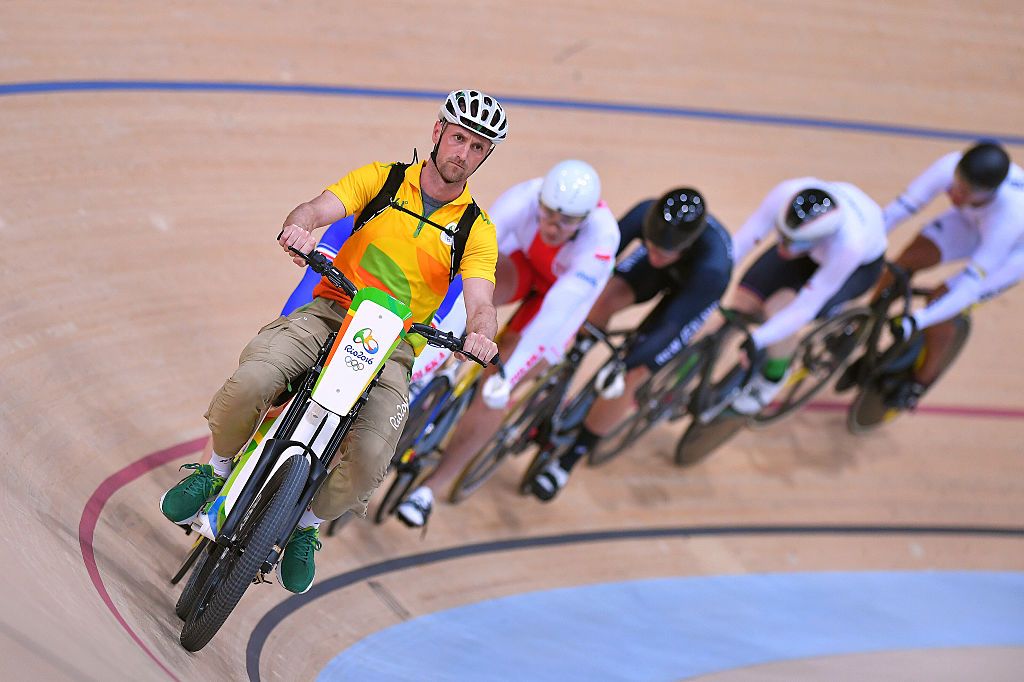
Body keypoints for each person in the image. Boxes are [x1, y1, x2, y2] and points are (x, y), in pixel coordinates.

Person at [160, 89, 508, 593]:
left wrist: (480, 335)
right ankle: (216, 471)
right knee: (254, 377)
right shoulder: (382, 178)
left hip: (395, 346)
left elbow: (481, 302)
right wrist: (299, 228)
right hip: (331, 310)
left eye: (478, 148)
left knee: (370, 456)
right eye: (459, 139)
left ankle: (306, 526)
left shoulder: (477, 230)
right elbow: (317, 208)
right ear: (437, 133)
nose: (464, 154)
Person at [395, 159, 621, 526]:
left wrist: (509, 375)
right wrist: (436, 346)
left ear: (584, 218)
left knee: (493, 390)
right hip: (525, 266)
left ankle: (431, 489)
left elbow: (555, 314)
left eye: (564, 222)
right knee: (466, 296)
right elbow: (469, 263)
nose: (552, 226)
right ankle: (424, 375)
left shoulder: (602, 239)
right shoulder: (524, 198)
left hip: (563, 303)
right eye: (547, 214)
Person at [529, 187, 734, 500]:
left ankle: (568, 462)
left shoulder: (712, 269)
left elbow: (672, 327)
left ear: (686, 245)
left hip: (691, 295)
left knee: (632, 373)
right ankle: (573, 360)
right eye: (651, 244)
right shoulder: (644, 213)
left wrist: (627, 364)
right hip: (654, 275)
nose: (655, 252)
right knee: (605, 296)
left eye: (664, 251)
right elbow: (599, 260)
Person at [868, 140, 1024, 408]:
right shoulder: (950, 166)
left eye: (965, 191)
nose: (955, 193)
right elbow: (896, 212)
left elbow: (968, 288)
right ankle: (866, 322)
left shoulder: (1010, 215)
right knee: (905, 261)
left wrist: (919, 320)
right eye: (956, 183)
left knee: (942, 300)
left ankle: (923, 379)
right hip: (970, 223)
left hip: (1011, 253)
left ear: (991, 192)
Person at [724, 178, 887, 415]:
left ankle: (774, 377)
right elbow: (741, 243)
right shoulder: (786, 193)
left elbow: (803, 309)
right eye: (783, 235)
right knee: (742, 302)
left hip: (856, 269)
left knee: (778, 309)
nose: (783, 247)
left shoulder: (849, 245)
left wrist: (758, 339)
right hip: (810, 250)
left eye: (793, 242)